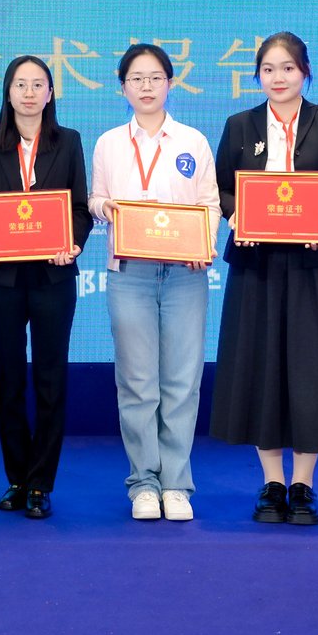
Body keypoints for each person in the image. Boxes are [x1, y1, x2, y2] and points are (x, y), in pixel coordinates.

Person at [209, 31, 318, 526]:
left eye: (288, 68)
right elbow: (221, 188)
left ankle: (304, 484)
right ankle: (273, 482)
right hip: (257, 266)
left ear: (305, 72)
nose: (278, 78)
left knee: (311, 371)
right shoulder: (239, 125)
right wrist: (237, 216)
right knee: (262, 367)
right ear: (257, 75)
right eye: (269, 69)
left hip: (313, 266)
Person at [88, 43, 220, 522]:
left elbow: (210, 205)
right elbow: (95, 199)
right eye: (136, 79)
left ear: (170, 83)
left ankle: (177, 484)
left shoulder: (193, 141)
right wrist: (106, 208)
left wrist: (203, 244)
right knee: (138, 382)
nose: (146, 87)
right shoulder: (108, 143)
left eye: (155, 78)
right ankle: (143, 482)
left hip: (185, 274)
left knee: (182, 381)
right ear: (122, 87)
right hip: (130, 273)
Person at [0, 56, 93, 520]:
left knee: (51, 379)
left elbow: (80, 208)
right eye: (21, 84)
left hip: (53, 277)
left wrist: (73, 243)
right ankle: (16, 478)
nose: (30, 92)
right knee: (9, 378)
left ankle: (41, 483)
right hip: (2, 278)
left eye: (39, 84)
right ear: (8, 92)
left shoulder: (69, 141)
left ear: (51, 93)